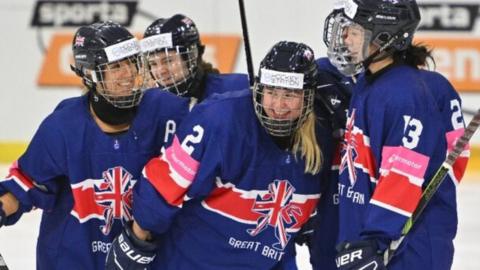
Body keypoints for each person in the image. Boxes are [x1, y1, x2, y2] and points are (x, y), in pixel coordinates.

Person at [104, 41, 335, 270]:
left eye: (290, 94)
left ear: (307, 97)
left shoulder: (322, 139)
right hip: (191, 262)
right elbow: (165, 182)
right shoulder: (220, 119)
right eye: (271, 92)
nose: (278, 105)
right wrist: (137, 239)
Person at [0, 21, 190, 269]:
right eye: (116, 66)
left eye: (132, 62)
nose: (129, 73)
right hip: (72, 259)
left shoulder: (167, 113)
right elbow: (22, 187)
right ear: (90, 73)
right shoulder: (63, 126)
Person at [320, 0, 469, 269]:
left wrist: (376, 240)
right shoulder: (370, 81)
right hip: (370, 237)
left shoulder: (404, 95)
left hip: (406, 250)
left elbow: (402, 177)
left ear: (384, 38)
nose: (345, 39)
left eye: (354, 32)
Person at [140, 14, 249, 102]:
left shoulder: (236, 90)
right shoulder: (148, 106)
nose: (161, 71)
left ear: (193, 55)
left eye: (168, 61)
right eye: (153, 64)